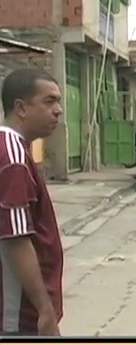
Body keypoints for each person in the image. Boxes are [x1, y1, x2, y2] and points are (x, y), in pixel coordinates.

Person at [0, 68, 64, 336]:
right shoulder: (13, 156)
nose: (58, 110)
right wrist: (45, 310)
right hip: (20, 316)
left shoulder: (14, 149)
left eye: (58, 101)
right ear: (21, 108)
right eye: (49, 101)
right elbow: (16, 240)